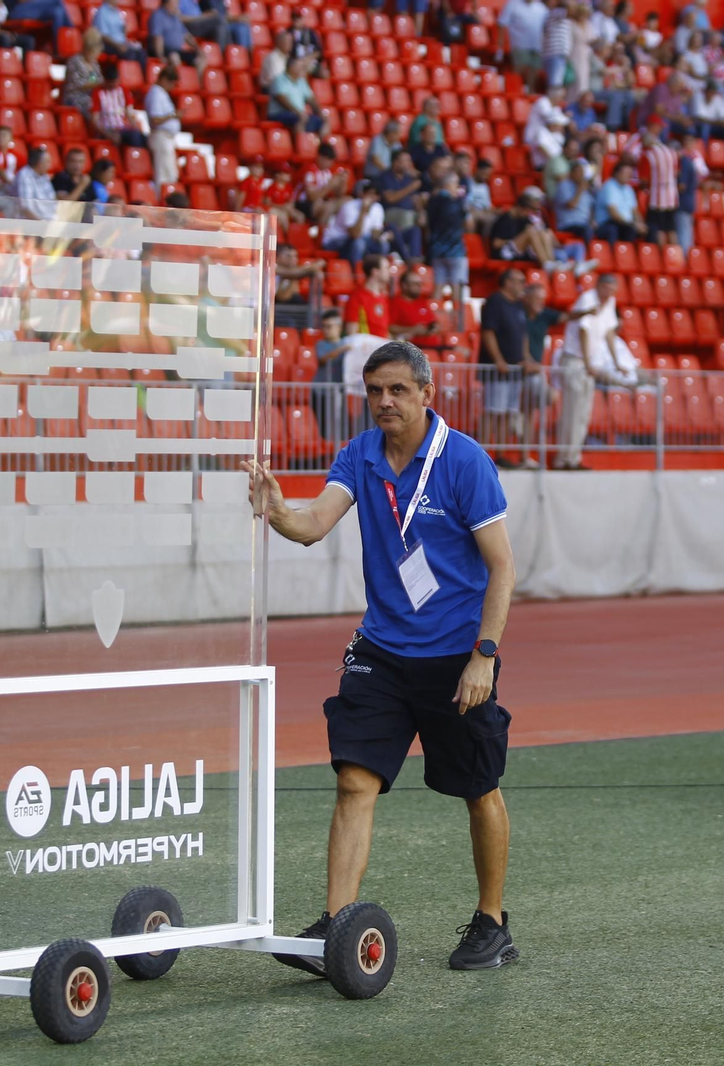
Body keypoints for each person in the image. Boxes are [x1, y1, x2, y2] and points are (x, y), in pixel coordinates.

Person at [243, 339, 518, 973]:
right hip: (382, 649)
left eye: (397, 389)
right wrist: (276, 510)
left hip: (456, 656)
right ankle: (340, 928)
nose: (385, 402)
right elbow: (313, 525)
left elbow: (502, 568)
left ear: (427, 393)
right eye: (374, 392)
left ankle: (493, 921)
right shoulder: (360, 456)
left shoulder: (464, 462)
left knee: (478, 787)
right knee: (353, 781)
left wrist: (485, 655)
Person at [556, 273, 622, 469]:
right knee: (572, 411)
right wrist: (587, 362)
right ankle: (564, 458)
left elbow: (609, 332)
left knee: (583, 413)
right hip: (576, 361)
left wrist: (616, 361)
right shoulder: (587, 299)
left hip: (587, 364)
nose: (609, 293)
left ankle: (574, 457)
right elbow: (583, 331)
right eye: (606, 289)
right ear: (599, 286)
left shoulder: (610, 303)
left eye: (612, 290)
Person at [478, 268, 535, 468]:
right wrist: (498, 360)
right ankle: (482, 453)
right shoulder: (495, 302)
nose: (522, 285)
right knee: (493, 411)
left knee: (508, 412)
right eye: (519, 281)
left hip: (515, 370)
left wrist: (526, 358)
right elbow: (488, 332)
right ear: (507, 282)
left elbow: (523, 336)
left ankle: (500, 453)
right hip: (497, 370)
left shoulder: (518, 306)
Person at [425, 168, 469, 297]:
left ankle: (434, 314)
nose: (457, 186)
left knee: (438, 287)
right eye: (456, 183)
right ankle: (458, 317)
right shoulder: (456, 202)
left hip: (437, 250)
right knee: (457, 290)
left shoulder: (433, 200)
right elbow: (467, 224)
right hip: (455, 251)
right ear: (448, 184)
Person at [375, 150, 424, 263]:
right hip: (390, 213)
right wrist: (411, 188)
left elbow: (415, 199)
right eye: (405, 161)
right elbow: (390, 198)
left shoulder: (408, 178)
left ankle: (415, 258)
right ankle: (406, 257)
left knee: (416, 229)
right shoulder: (385, 176)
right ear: (395, 162)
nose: (408, 164)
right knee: (407, 216)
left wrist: (421, 212)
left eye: (409, 161)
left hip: (409, 214)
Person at [323, 183, 389, 267]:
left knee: (383, 245)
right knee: (359, 244)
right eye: (369, 193)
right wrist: (363, 211)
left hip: (361, 239)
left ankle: (376, 271)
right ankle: (357, 273)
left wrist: (382, 236)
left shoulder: (378, 208)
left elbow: (375, 234)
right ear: (362, 194)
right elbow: (355, 234)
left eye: (375, 194)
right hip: (336, 240)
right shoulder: (350, 206)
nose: (371, 197)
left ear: (378, 197)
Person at [267, 53, 328, 136]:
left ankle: (320, 145)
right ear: (291, 67)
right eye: (299, 66)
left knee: (323, 121)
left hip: (298, 114)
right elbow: (281, 99)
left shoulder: (301, 81)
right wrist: (298, 112)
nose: (302, 69)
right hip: (280, 113)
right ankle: (300, 145)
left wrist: (320, 113)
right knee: (300, 119)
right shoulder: (279, 80)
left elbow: (311, 99)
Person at [311, 308, 347, 439]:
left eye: (329, 326)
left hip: (339, 391)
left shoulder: (347, 344)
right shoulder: (321, 344)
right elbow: (322, 359)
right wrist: (341, 350)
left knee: (339, 426)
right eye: (324, 327)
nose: (326, 330)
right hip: (321, 392)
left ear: (339, 327)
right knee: (324, 428)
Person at [498, 0, 548, 89]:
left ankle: (529, 92)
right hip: (519, 44)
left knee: (534, 70)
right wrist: (500, 45)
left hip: (536, 46)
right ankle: (514, 90)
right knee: (520, 69)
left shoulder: (542, 8)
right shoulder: (513, 4)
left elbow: (547, 26)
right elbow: (502, 23)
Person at [144, 67, 182, 185]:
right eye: (171, 83)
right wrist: (173, 115)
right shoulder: (156, 93)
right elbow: (155, 119)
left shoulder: (161, 93)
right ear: (164, 79)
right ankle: (163, 201)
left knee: (170, 174)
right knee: (163, 175)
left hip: (166, 138)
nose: (172, 87)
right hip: (160, 137)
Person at [343, 253, 392, 338]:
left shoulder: (383, 296)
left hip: (382, 348)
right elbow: (351, 332)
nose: (389, 272)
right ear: (375, 272)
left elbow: (384, 329)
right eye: (386, 268)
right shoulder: (357, 297)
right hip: (367, 348)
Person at [593, 159, 643, 243]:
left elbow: (635, 211)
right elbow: (613, 214)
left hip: (625, 224)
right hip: (607, 223)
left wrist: (641, 224)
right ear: (617, 173)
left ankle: (647, 255)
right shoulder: (609, 186)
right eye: (626, 173)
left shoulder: (629, 189)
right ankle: (616, 255)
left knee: (651, 230)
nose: (629, 176)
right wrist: (633, 224)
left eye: (630, 174)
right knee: (625, 230)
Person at [62, 29, 106, 119]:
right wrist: (97, 84)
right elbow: (77, 84)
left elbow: (94, 80)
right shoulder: (75, 61)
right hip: (75, 96)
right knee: (93, 105)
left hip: (90, 96)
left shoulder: (94, 64)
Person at [389, 271, 439, 347]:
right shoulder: (395, 302)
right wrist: (413, 330)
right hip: (413, 347)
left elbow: (433, 321)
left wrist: (434, 327)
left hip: (433, 345)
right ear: (404, 285)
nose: (418, 287)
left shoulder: (422, 301)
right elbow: (390, 327)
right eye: (415, 284)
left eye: (419, 284)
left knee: (460, 351)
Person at [551, 158, 594, 242]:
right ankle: (588, 253)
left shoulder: (585, 188)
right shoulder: (563, 185)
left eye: (583, 172)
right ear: (571, 173)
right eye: (579, 172)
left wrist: (592, 221)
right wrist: (579, 191)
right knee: (586, 230)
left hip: (584, 224)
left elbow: (591, 207)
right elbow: (571, 205)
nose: (582, 175)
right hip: (567, 224)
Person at [14, 146, 58, 216]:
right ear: (39, 163)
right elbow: (25, 208)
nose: (50, 165)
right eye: (47, 162)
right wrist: (41, 224)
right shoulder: (25, 175)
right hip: (33, 223)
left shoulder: (44, 175)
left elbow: (53, 200)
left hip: (51, 220)